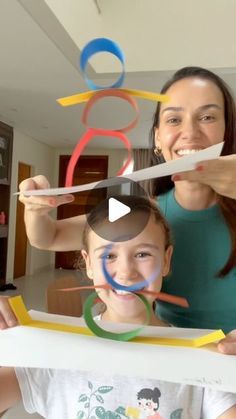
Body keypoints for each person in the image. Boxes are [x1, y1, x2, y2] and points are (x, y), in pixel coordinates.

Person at [18, 66, 236, 353]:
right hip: (172, 358)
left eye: (207, 117)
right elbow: (47, 237)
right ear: (158, 138)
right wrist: (35, 208)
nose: (190, 132)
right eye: (174, 119)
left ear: (227, 131)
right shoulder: (145, 213)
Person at [1, 196, 236, 418]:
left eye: (142, 254)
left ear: (166, 260)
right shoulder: (50, 351)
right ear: (88, 263)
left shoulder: (203, 356)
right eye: (109, 256)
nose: (125, 273)